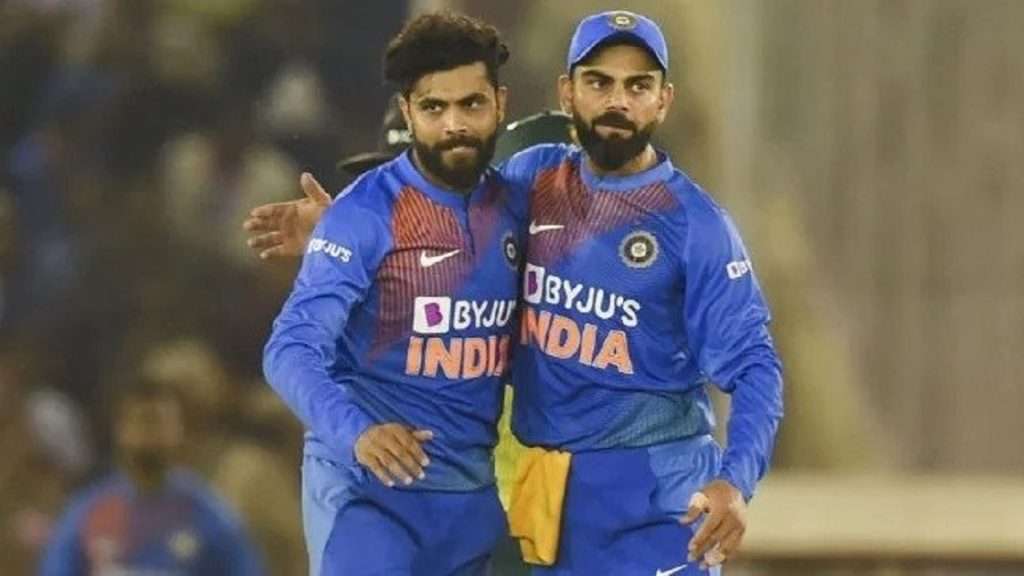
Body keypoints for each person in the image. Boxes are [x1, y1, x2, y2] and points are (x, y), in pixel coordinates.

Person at [251, 9, 784, 575]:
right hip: (552, 509)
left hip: (659, 500)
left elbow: (755, 364)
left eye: (637, 86)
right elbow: (438, 204)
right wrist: (345, 227)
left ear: (663, 100)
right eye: (599, 82)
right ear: (568, 93)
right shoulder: (533, 180)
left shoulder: (696, 226)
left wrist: (736, 480)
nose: (617, 102)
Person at [261, 13, 524, 576]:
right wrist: (356, 432)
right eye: (434, 108)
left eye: (471, 105)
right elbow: (289, 350)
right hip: (369, 496)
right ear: (408, 111)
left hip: (469, 506)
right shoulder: (363, 215)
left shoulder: (517, 208)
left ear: (500, 103)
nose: (454, 124)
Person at [39, 380, 264, 576]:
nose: (149, 433)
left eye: (159, 422)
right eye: (140, 421)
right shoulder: (86, 513)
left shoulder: (212, 516)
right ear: (120, 429)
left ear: (179, 431)